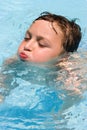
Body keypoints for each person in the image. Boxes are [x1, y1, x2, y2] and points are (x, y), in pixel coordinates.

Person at [17, 11, 82, 63]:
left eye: (41, 44)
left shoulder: (70, 74)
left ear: (63, 57)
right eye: (27, 38)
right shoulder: (15, 60)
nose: (27, 46)